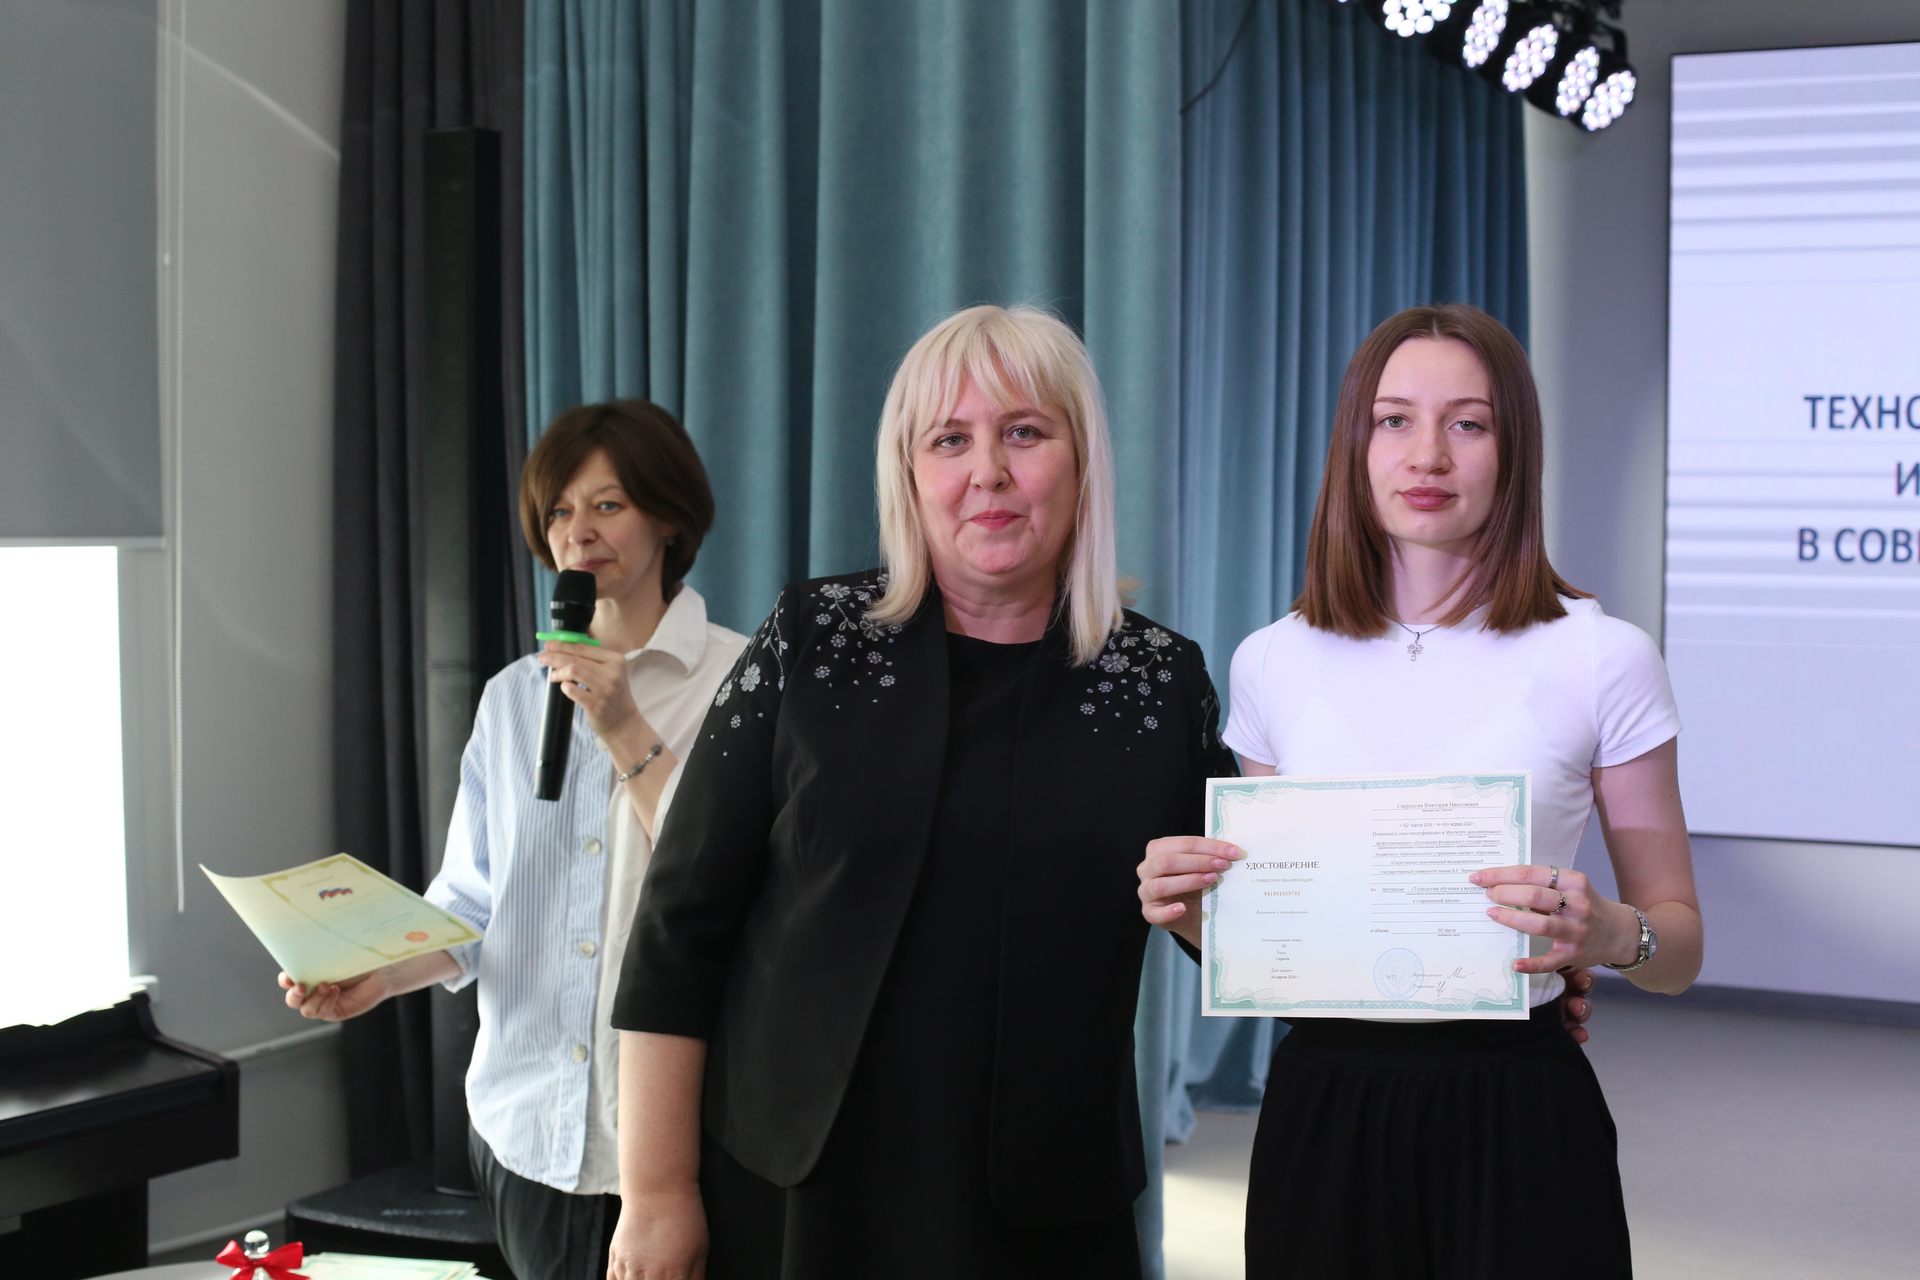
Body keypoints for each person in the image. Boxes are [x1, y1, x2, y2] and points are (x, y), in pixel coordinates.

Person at [604, 304, 1235, 1280]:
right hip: (792, 1188)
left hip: (1044, 1210)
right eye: (949, 440)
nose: (988, 471)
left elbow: (1246, 926)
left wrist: (1207, 918)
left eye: (1025, 432)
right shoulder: (810, 637)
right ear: (907, 473)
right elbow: (679, 922)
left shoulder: (1159, 680)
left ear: (1082, 462)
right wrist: (654, 1193)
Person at [1140, 304, 1701, 1279]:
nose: (1427, 454)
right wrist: (1196, 916)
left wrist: (1613, 935)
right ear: (1354, 447)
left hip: (1518, 1102)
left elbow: (1679, 948)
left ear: (1513, 449)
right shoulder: (1273, 659)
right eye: (1394, 420)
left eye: (1468, 423)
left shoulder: (1604, 656)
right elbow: (1286, 932)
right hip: (1324, 1105)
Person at [280, 401, 747, 1280]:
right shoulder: (511, 699)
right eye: (560, 511)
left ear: (669, 517)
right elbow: (472, 901)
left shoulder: (744, 681)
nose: (579, 533)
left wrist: (622, 724)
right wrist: (377, 974)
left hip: (682, 1148)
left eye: (608, 505)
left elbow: (738, 880)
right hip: (526, 1132)